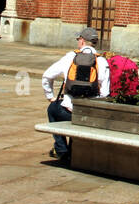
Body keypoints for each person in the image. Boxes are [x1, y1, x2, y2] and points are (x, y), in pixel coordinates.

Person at [41, 29, 109, 163]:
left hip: (68, 111)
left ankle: (61, 150)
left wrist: (50, 97)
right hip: (90, 113)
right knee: (77, 117)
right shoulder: (102, 61)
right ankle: (73, 150)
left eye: (78, 39)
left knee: (53, 109)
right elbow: (105, 93)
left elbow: (47, 76)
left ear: (82, 41)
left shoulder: (70, 57)